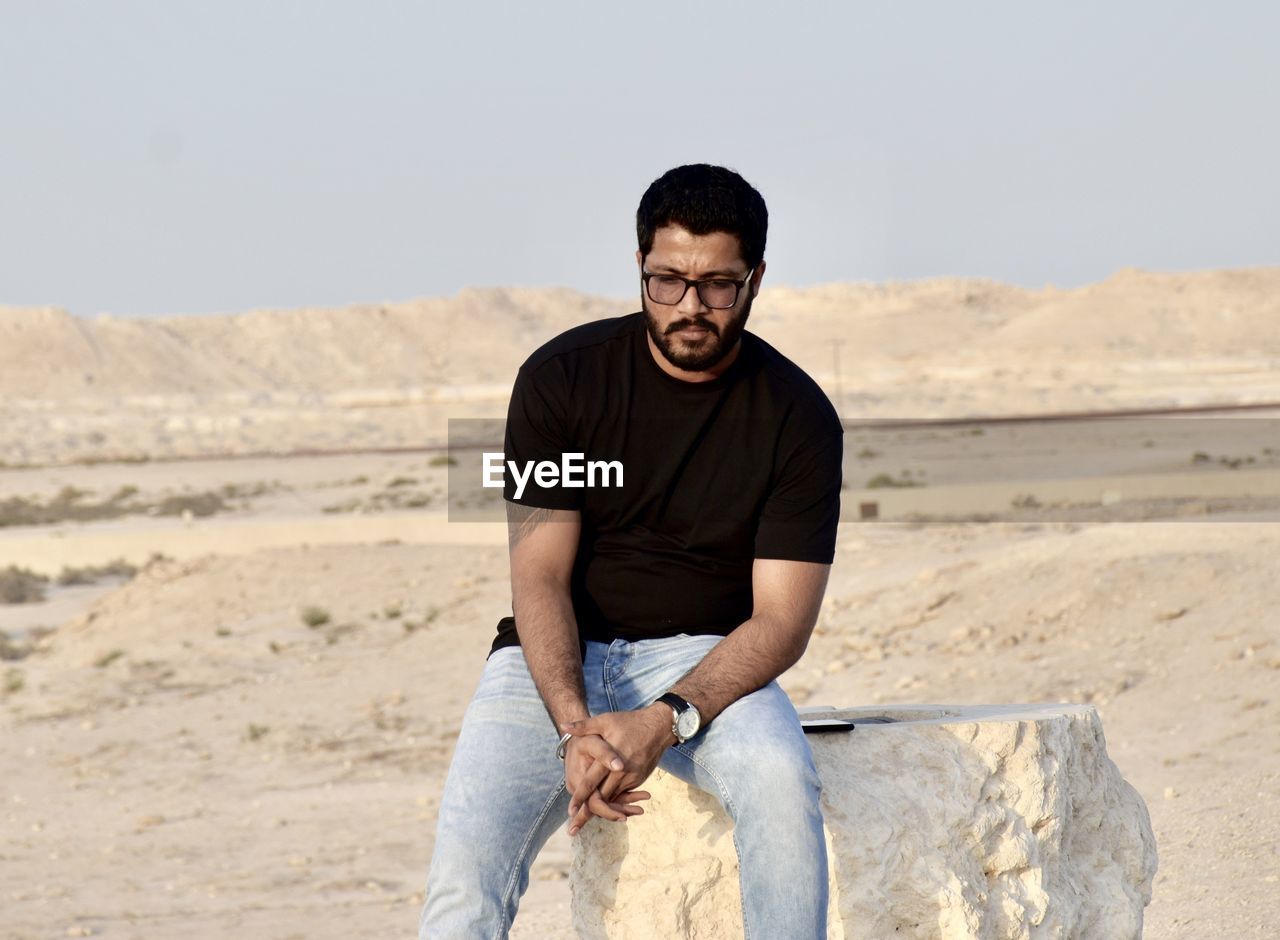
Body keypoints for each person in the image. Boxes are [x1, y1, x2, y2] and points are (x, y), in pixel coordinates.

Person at [419, 164, 844, 938]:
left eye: (717, 284)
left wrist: (668, 717)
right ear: (640, 269)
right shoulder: (560, 381)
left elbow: (783, 621)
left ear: (754, 281)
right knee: (461, 886)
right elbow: (539, 577)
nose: (690, 306)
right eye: (667, 280)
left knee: (782, 781)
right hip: (553, 657)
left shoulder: (797, 418)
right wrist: (573, 729)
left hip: (700, 660)